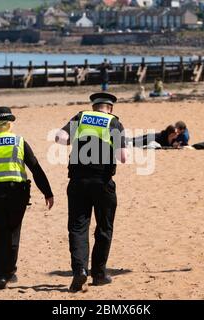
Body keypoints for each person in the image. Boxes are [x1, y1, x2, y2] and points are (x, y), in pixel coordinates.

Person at [0, 106, 54, 290]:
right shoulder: (19, 141)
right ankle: (10, 271)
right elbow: (35, 168)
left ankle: (0, 275)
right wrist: (47, 192)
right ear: (10, 123)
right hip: (17, 192)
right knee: (13, 231)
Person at [55, 92, 127, 292]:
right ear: (110, 108)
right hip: (102, 181)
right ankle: (99, 273)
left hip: (77, 181)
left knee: (78, 227)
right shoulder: (114, 123)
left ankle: (80, 271)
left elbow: (60, 138)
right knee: (104, 227)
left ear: (93, 106)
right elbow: (123, 157)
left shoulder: (80, 117)